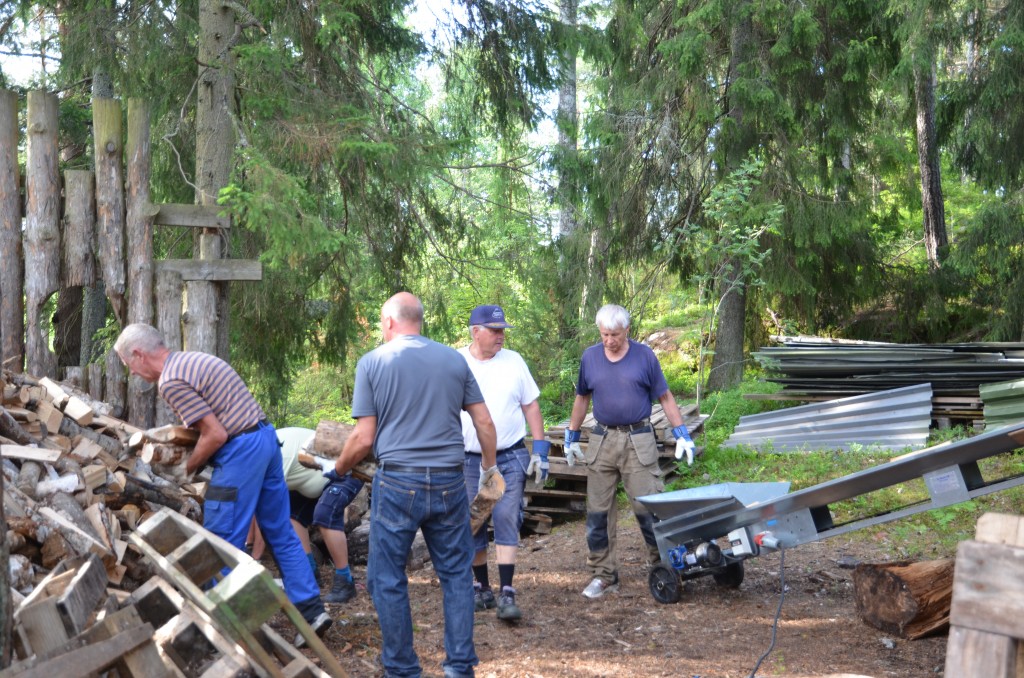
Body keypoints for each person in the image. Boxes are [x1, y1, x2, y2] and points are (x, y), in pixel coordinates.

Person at [113, 323, 332, 643]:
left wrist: (188, 467)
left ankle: (234, 630)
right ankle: (312, 612)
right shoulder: (196, 360)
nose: (131, 373)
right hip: (266, 440)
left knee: (219, 542)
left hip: (241, 452)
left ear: (139, 354)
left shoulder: (171, 381)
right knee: (280, 530)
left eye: (128, 364)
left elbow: (215, 434)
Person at [334, 292, 500, 678]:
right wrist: (489, 471)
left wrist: (339, 469)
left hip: (398, 483)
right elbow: (485, 423)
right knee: (457, 574)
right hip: (448, 481)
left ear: (389, 321)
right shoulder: (453, 360)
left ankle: (403, 669)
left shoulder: (373, 362)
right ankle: (459, 668)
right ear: (419, 320)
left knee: (386, 577)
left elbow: (362, 438)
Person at [562, 304, 697, 599]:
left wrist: (682, 434)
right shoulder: (590, 357)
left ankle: (663, 566)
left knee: (649, 507)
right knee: (598, 511)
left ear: (627, 330)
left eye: (615, 334)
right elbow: (582, 398)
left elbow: (665, 396)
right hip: (602, 440)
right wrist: (571, 435)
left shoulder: (644, 357)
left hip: (638, 439)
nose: (609, 340)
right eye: (604, 334)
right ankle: (603, 574)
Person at [458, 305, 549, 622]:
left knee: (508, 515)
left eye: (503, 330)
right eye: (494, 330)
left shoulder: (514, 361)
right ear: (475, 332)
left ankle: (507, 591)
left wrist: (540, 449)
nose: (501, 336)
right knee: (474, 521)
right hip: (468, 459)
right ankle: (481, 587)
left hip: (509, 455)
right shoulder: (457, 363)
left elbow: (531, 406)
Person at [275, 426, 364, 604]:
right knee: (291, 514)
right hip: (316, 477)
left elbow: (267, 508)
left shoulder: (278, 455)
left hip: (347, 469)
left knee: (325, 514)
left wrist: (253, 556)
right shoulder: (264, 449)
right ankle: (308, 572)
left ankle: (345, 581)